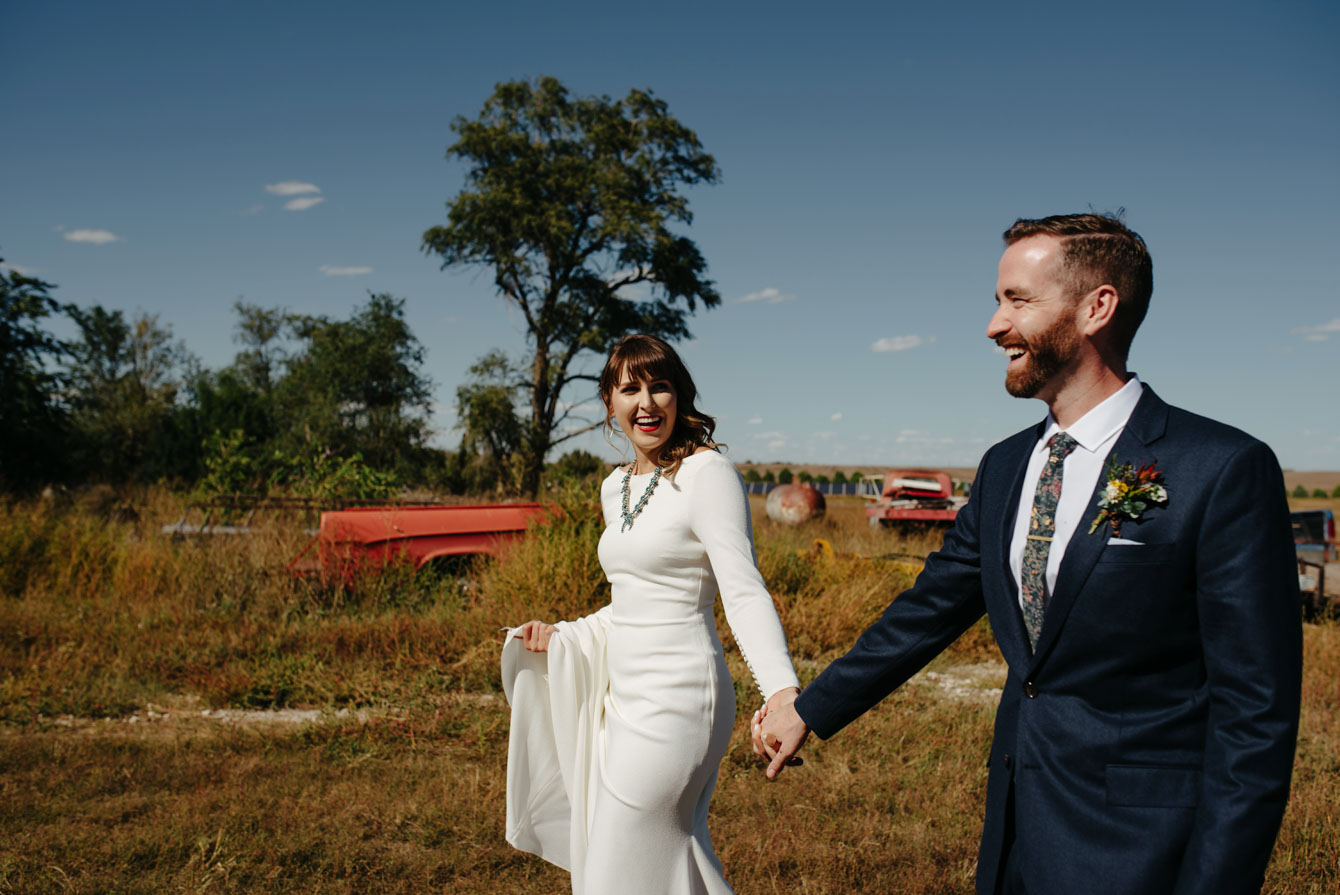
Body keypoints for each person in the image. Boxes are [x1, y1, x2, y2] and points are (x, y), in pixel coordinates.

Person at [756, 213, 1302, 895]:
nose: (994, 325)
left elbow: (1255, 717)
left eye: (1017, 300)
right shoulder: (1007, 465)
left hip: (1146, 851)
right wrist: (811, 707)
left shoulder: (1220, 468)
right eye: (997, 301)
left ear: (1097, 307)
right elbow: (929, 608)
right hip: (1016, 836)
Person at [503, 333, 800, 894]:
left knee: (621, 861)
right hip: (623, 701)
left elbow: (741, 589)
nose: (647, 403)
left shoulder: (706, 474)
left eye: (660, 387)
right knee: (659, 862)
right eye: (630, 389)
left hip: (680, 702)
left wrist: (781, 691)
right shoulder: (614, 488)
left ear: (680, 397)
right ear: (610, 404)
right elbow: (632, 602)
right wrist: (564, 636)